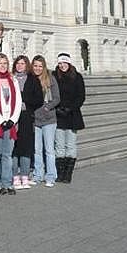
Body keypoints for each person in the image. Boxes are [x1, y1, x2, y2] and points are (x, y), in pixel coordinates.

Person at [0, 54, 22, 195]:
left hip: (11, 122)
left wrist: (12, 120)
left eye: (5, 63)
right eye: (0, 63)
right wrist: (1, 119)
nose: (3, 66)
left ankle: (7, 182)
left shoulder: (12, 80)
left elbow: (18, 101)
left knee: (7, 154)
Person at [11, 55, 43, 189]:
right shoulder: (10, 78)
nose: (20, 66)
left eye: (22, 63)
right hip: (12, 115)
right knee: (14, 147)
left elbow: (38, 99)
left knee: (25, 146)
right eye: (18, 63)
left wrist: (23, 98)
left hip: (26, 115)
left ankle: (24, 175)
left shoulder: (32, 79)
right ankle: (14, 176)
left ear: (26, 65)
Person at [53, 52, 85, 183]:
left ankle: (68, 174)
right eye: (60, 63)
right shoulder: (54, 76)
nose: (62, 65)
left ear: (69, 63)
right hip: (58, 114)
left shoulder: (77, 77)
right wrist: (57, 108)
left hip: (72, 115)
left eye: (64, 63)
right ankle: (60, 173)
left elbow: (81, 96)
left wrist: (70, 108)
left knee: (70, 145)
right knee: (59, 145)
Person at [31, 54, 60, 187]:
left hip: (48, 119)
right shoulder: (31, 79)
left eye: (40, 66)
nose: (37, 68)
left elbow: (56, 98)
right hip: (35, 119)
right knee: (37, 150)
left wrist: (47, 108)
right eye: (35, 65)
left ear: (44, 67)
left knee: (49, 150)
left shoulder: (50, 79)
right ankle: (38, 174)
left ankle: (51, 176)